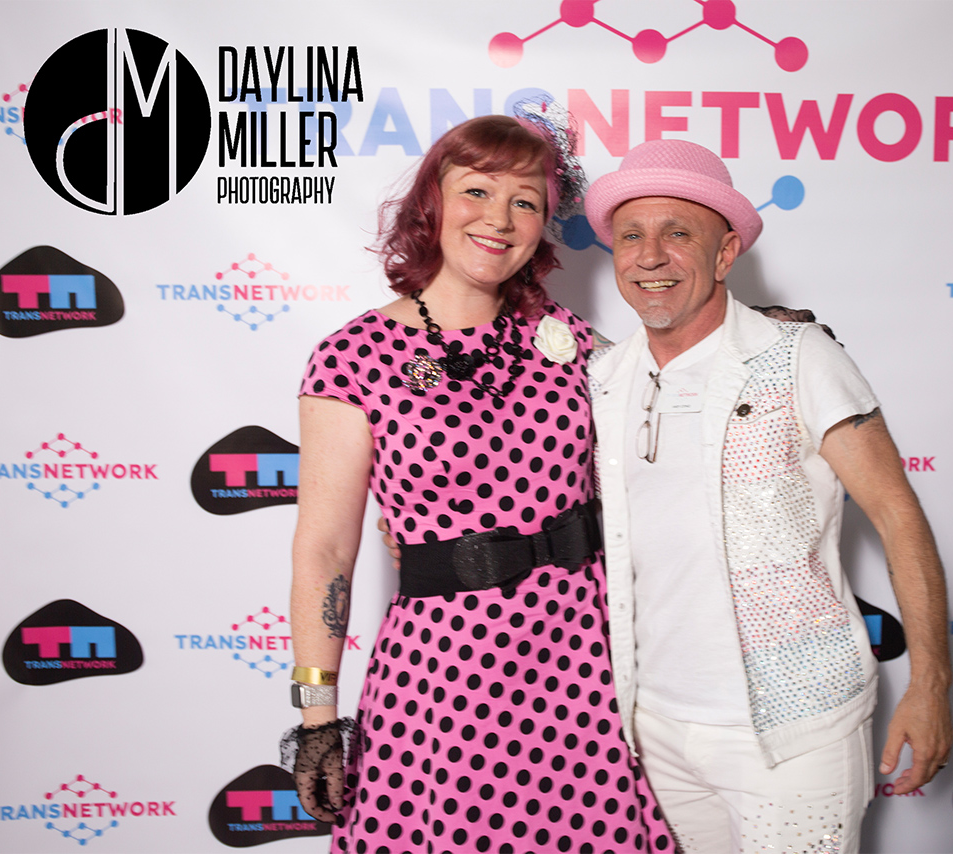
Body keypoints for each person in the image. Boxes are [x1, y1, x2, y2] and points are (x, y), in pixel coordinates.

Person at [287, 111, 674, 854]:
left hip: (582, 667)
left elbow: (673, 434)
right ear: (433, 200)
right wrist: (316, 717)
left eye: (525, 201)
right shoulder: (351, 358)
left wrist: (760, 341)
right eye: (477, 191)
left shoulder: (578, 346)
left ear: (542, 225)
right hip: (444, 679)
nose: (499, 219)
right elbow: (325, 551)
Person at [579, 140, 953, 853]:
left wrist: (931, 687)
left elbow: (899, 518)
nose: (650, 256)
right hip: (651, 725)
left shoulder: (799, 356)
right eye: (632, 236)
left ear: (724, 255)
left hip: (794, 728)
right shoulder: (603, 379)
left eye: (677, 233)